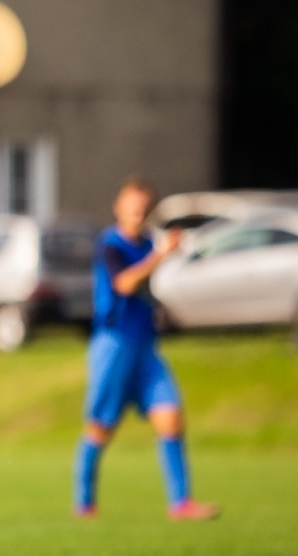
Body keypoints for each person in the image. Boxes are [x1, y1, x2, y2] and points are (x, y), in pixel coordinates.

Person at [73, 178, 219, 521]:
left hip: (145, 344)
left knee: (170, 416)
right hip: (114, 343)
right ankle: (84, 503)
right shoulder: (109, 245)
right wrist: (161, 255)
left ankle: (181, 503)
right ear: (118, 208)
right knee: (101, 426)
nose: (136, 215)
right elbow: (124, 284)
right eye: (131, 208)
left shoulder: (150, 243)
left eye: (142, 210)